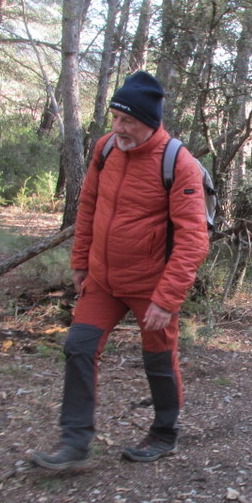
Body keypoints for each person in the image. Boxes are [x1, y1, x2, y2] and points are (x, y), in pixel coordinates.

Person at [32, 71, 210, 470]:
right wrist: (80, 262)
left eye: (128, 121)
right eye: (115, 118)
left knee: (159, 359)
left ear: (150, 122)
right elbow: (88, 207)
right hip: (103, 280)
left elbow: (193, 238)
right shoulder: (106, 149)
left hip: (151, 284)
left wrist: (167, 298)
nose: (119, 128)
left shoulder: (176, 161)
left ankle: (164, 434)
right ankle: (74, 443)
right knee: (78, 347)